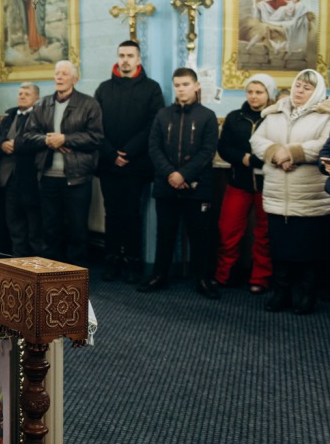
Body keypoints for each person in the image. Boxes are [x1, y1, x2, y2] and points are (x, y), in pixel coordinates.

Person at [252, 69, 330, 315]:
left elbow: (323, 145)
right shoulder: (275, 113)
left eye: (307, 88)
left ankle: (307, 296)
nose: (299, 91)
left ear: (316, 92)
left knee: (309, 251)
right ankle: (281, 293)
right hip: (278, 196)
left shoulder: (325, 116)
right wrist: (277, 153)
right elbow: (257, 140)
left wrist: (293, 153)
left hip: (310, 197)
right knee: (280, 249)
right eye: (298, 86)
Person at [139, 68, 220, 299]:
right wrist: (171, 175)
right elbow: (154, 148)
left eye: (185, 84)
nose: (181, 89)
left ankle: (203, 279)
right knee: (165, 233)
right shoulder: (163, 115)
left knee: (200, 235)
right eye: (177, 85)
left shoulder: (207, 116)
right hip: (167, 186)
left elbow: (207, 151)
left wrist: (183, 175)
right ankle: (159, 276)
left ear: (196, 86)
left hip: (197, 187)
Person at [16, 61, 102, 266]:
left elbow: (96, 138)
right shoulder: (42, 104)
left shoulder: (89, 104)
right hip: (47, 177)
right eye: (56, 74)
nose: (59, 77)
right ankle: (50, 274)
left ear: (75, 78)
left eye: (64, 74)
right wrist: (47, 140)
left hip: (77, 178)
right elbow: (27, 136)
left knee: (77, 230)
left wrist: (65, 139)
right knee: (50, 229)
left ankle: (77, 275)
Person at [93, 40, 164, 283]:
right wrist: (111, 153)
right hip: (108, 163)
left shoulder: (152, 88)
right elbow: (95, 125)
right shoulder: (103, 89)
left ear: (138, 59)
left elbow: (153, 124)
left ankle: (133, 262)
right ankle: (112, 260)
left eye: (130, 56)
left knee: (133, 213)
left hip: (137, 164)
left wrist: (129, 152)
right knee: (112, 213)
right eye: (121, 55)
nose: (125, 60)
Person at [214, 74, 275, 294]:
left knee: (264, 234)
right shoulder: (234, 117)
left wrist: (262, 159)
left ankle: (260, 277)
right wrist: (245, 158)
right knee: (228, 230)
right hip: (238, 182)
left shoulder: (275, 118)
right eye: (250, 91)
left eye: (259, 92)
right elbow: (224, 147)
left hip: (267, 185)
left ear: (269, 94)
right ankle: (225, 273)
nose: (254, 96)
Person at [0, 83, 43, 255]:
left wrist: (17, 145)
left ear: (37, 98)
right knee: (15, 226)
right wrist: (2, 144)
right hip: (8, 180)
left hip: (31, 181)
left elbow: (41, 142)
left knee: (35, 228)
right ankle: (17, 265)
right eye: (20, 93)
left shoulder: (41, 117)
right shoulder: (10, 117)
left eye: (27, 93)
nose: (22, 96)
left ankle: (37, 268)